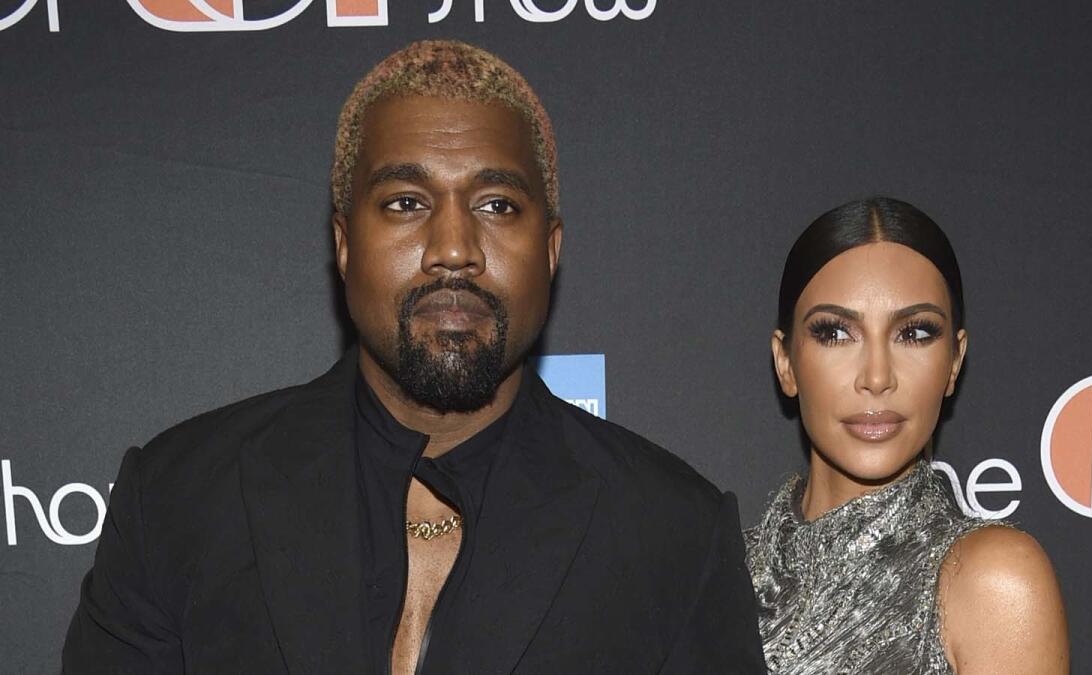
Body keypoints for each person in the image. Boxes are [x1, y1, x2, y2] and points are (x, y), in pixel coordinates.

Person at [63, 40, 766, 674]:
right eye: (405, 201)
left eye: (496, 204)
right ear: (343, 244)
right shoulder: (179, 498)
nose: (454, 247)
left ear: (550, 252)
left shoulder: (673, 534)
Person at [744, 197, 1069, 674]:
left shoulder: (994, 578)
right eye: (836, 333)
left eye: (914, 333)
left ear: (954, 362)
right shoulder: (719, 576)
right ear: (786, 362)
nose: (877, 377)